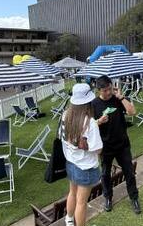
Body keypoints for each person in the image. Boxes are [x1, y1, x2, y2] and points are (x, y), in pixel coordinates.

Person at [91, 75, 141, 214]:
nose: (108, 93)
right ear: (98, 90)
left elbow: (132, 112)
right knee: (105, 174)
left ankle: (134, 198)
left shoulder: (117, 99)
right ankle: (108, 198)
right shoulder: (94, 104)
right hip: (105, 146)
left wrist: (121, 97)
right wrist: (99, 122)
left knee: (129, 172)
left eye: (110, 89)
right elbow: (88, 127)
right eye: (105, 90)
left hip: (122, 144)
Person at [61, 83, 103, 226]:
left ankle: (69, 219)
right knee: (82, 203)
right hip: (85, 167)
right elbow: (98, 149)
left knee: (72, 193)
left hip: (71, 162)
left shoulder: (65, 115)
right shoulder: (89, 122)